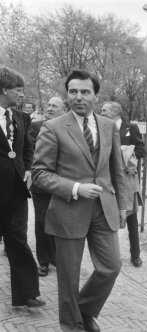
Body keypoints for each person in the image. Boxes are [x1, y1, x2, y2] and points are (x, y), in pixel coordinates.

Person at [32, 70, 128, 332]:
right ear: (67, 95)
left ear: (95, 95)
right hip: (68, 210)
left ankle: (85, 310)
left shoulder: (108, 127)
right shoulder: (53, 127)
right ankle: (71, 325)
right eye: (73, 91)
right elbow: (40, 174)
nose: (78, 97)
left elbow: (116, 169)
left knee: (110, 267)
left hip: (103, 209)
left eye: (85, 92)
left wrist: (122, 205)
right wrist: (75, 188)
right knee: (68, 277)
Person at [0, 66, 45, 308]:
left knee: (18, 240)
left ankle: (27, 294)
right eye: (18, 90)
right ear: (4, 89)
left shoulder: (21, 118)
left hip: (17, 192)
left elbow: (27, 148)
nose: (21, 95)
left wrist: (27, 168)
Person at [101, 101, 145, 267]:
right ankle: (110, 257)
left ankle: (136, 255)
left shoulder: (131, 128)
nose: (102, 112)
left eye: (104, 110)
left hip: (127, 180)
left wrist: (126, 152)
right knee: (107, 218)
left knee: (131, 219)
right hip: (108, 180)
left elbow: (142, 150)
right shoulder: (103, 128)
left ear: (115, 112)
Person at [30, 96, 66, 277]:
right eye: (49, 105)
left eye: (55, 106)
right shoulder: (36, 127)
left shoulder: (68, 128)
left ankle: (54, 258)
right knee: (42, 222)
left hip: (62, 184)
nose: (50, 108)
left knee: (58, 222)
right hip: (41, 186)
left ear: (63, 110)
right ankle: (43, 262)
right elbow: (28, 152)